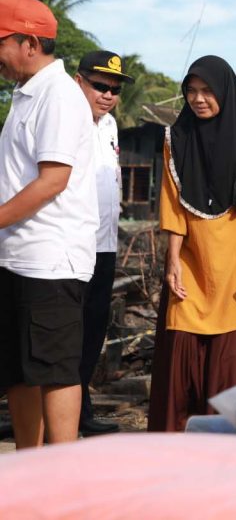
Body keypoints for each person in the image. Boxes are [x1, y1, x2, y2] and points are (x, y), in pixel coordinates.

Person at [148, 56, 236, 432]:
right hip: (192, 261)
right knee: (182, 360)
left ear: (224, 91)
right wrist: (172, 260)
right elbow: (172, 205)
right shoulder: (177, 138)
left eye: (207, 91)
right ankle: (180, 448)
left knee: (234, 364)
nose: (198, 99)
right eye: (191, 91)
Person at [0, 0, 98, 448]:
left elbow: (53, 180)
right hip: (16, 253)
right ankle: (27, 469)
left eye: (0, 42)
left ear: (30, 43)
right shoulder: (25, 95)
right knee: (19, 370)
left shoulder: (58, 96)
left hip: (50, 259)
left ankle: (62, 479)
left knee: (55, 370)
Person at [74, 50, 135, 436]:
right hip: (71, 243)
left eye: (114, 89)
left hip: (104, 244)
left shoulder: (110, 125)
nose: (108, 95)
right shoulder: (66, 118)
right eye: (100, 86)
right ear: (78, 80)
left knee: (93, 332)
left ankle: (80, 410)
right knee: (65, 333)